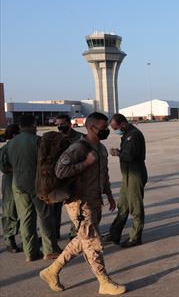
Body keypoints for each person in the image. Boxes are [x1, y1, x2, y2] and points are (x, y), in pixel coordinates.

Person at [39, 112, 126, 295]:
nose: (105, 131)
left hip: (94, 200)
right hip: (79, 203)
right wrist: (85, 163)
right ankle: (104, 282)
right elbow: (60, 171)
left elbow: (104, 173)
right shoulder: (78, 148)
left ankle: (51, 271)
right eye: (102, 128)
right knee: (93, 243)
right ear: (90, 127)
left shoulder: (100, 149)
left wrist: (109, 194)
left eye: (106, 128)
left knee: (82, 240)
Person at [1, 115, 60, 261]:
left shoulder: (10, 143)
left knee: (26, 218)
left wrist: (13, 170)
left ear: (20, 126)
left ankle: (30, 253)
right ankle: (49, 250)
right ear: (33, 125)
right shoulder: (38, 141)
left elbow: (2, 164)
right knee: (45, 216)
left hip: (18, 184)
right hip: (38, 183)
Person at [103, 113, 147, 248]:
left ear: (123, 124)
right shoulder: (127, 134)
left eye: (115, 127)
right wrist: (120, 152)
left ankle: (135, 237)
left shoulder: (133, 135)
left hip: (135, 175)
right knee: (123, 205)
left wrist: (118, 153)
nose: (115, 130)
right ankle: (114, 233)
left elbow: (131, 156)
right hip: (127, 175)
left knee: (135, 207)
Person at [53, 114, 85, 240]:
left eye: (63, 124)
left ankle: (74, 233)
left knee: (75, 208)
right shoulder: (55, 139)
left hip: (74, 177)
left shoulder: (79, 138)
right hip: (58, 179)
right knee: (55, 208)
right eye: (58, 125)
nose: (60, 127)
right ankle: (54, 233)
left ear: (69, 124)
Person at [0, 124, 22, 253]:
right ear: (14, 135)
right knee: (10, 211)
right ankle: (10, 240)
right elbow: (4, 167)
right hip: (10, 181)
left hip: (22, 180)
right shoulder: (6, 149)